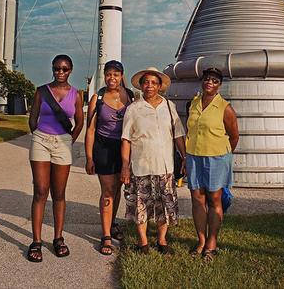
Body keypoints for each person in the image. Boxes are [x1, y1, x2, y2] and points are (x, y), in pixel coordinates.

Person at [121, 67, 186, 255]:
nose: (150, 86)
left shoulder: (169, 106)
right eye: (146, 82)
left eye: (154, 83)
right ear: (141, 86)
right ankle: (143, 243)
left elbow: (178, 134)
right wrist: (125, 166)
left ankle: (162, 240)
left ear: (159, 86)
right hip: (141, 165)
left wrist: (185, 157)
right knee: (141, 205)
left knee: (164, 206)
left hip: (165, 165)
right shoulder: (133, 109)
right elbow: (126, 139)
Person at [27, 54, 84, 263]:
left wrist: (68, 140)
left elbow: (79, 121)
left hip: (63, 143)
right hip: (41, 140)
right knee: (40, 191)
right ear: (52, 69)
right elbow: (33, 118)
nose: (60, 72)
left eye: (65, 69)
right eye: (57, 68)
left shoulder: (77, 94)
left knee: (59, 193)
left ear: (71, 70)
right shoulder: (42, 91)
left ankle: (58, 238)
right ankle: (36, 241)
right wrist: (40, 136)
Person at [185, 67, 239, 262]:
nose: (210, 83)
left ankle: (212, 243)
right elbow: (189, 130)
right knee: (197, 200)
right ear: (202, 81)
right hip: (194, 156)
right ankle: (201, 241)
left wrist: (222, 154)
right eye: (207, 79)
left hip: (216, 157)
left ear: (219, 85)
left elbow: (234, 136)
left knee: (214, 200)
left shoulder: (225, 108)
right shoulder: (193, 104)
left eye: (215, 81)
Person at [85, 60, 133, 255]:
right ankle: (105, 236)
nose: (112, 78)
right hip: (103, 147)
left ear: (121, 76)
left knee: (117, 188)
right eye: (108, 74)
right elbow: (90, 130)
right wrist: (89, 157)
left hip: (123, 148)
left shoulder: (129, 96)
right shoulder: (98, 98)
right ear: (104, 76)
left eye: (116, 74)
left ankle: (112, 224)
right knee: (107, 190)